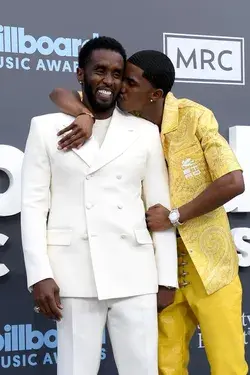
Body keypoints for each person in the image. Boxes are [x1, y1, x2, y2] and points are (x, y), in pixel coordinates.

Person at [49, 49, 248, 375]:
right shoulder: (128, 121)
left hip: (212, 268)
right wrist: (83, 114)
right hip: (158, 272)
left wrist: (174, 216)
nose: (118, 87)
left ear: (155, 93)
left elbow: (232, 181)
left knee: (229, 367)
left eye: (129, 81)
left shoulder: (194, 117)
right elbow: (59, 92)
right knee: (166, 368)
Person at [21, 38, 178, 375]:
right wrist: (40, 273)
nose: (108, 80)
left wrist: (166, 278)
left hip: (135, 273)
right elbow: (33, 206)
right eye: (100, 71)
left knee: (142, 370)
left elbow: (159, 207)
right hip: (72, 275)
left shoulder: (145, 132)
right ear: (81, 74)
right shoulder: (45, 129)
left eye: (117, 74)